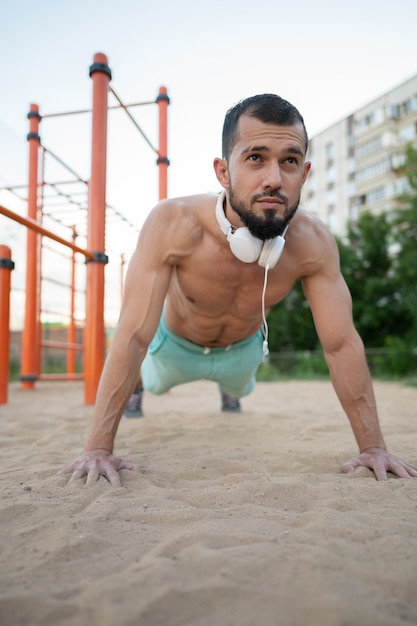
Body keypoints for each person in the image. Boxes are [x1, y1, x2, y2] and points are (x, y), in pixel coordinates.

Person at [60, 93, 417, 486]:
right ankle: (140, 389)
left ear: (305, 172)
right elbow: (132, 334)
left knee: (240, 386)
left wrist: (373, 447)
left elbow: (341, 344)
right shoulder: (173, 223)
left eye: (290, 161)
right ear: (223, 172)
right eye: (255, 158)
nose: (274, 179)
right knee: (150, 371)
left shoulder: (313, 242)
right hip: (173, 348)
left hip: (243, 355)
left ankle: (229, 392)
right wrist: (97, 448)